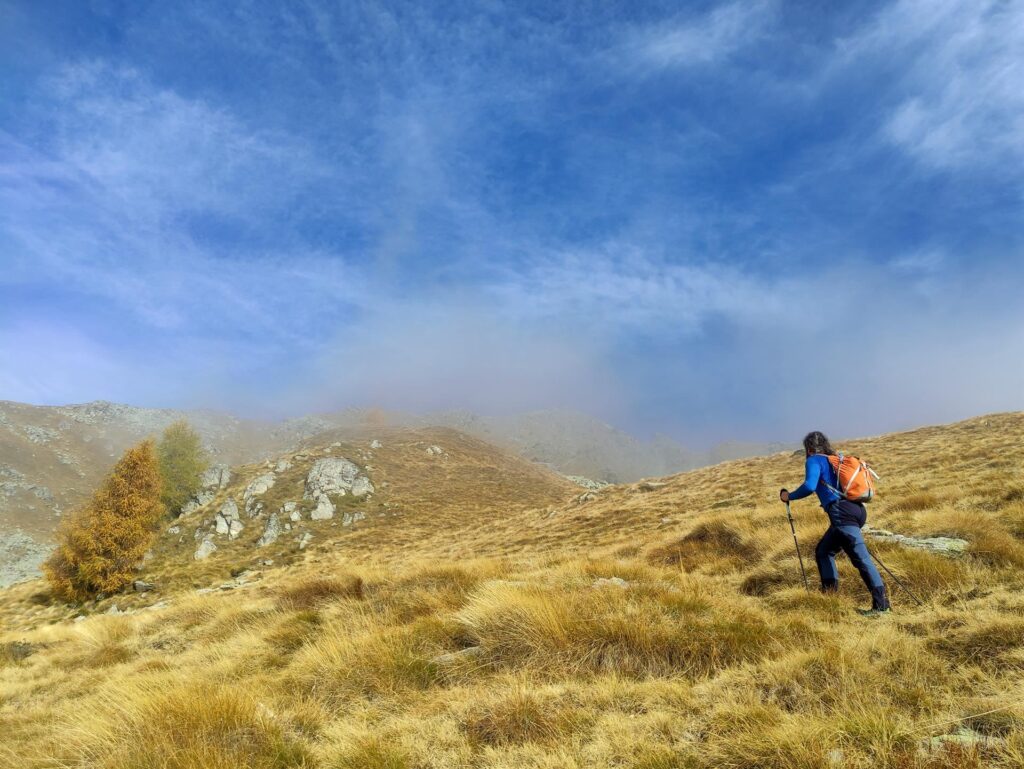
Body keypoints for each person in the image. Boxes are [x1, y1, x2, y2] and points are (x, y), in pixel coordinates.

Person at [780, 431, 890, 615]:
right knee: (824, 551)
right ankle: (829, 598)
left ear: (808, 448)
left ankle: (882, 606)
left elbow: (809, 486)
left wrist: (788, 496)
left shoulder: (814, 460)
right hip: (857, 510)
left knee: (861, 558)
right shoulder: (835, 459)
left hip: (841, 513)